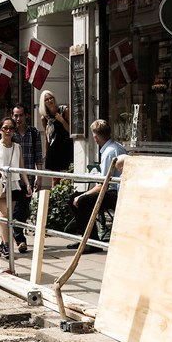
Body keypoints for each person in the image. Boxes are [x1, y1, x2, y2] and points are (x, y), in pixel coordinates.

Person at [67, 119, 126, 254]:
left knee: (81, 201)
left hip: (114, 193)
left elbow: (103, 185)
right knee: (73, 198)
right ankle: (85, 237)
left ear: (95, 137)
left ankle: (93, 242)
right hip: (113, 190)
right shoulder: (114, 147)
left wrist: (83, 195)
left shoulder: (109, 152)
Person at [0, 116, 30, 259]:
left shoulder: (18, 147)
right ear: (0, 130)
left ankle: (4, 244)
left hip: (14, 184)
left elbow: (21, 168)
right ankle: (7, 245)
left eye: (11, 128)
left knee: (8, 215)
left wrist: (27, 184)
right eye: (5, 128)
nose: (8, 131)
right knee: (5, 214)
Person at [11, 105, 42, 252]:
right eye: (15, 116)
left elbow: (38, 156)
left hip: (28, 178)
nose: (18, 119)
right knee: (16, 209)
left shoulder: (34, 133)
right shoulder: (9, 132)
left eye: (21, 115)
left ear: (26, 116)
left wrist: (39, 177)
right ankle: (20, 239)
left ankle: (17, 234)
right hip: (12, 178)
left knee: (23, 209)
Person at [39, 90, 71, 186]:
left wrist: (62, 120)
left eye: (51, 98)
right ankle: (55, 200)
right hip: (53, 148)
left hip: (65, 147)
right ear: (43, 103)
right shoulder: (45, 117)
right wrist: (46, 151)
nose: (49, 101)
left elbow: (70, 130)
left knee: (66, 178)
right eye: (46, 100)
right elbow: (46, 134)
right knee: (54, 179)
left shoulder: (64, 110)